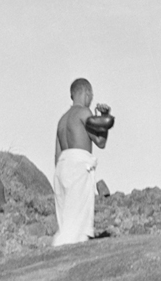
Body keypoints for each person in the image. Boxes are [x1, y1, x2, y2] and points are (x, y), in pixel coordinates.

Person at [51, 78, 114, 246]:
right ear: (87, 93)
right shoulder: (84, 113)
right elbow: (100, 142)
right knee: (78, 222)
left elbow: (57, 155)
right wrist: (105, 117)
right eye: (91, 95)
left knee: (66, 220)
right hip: (79, 165)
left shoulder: (62, 120)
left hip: (62, 168)